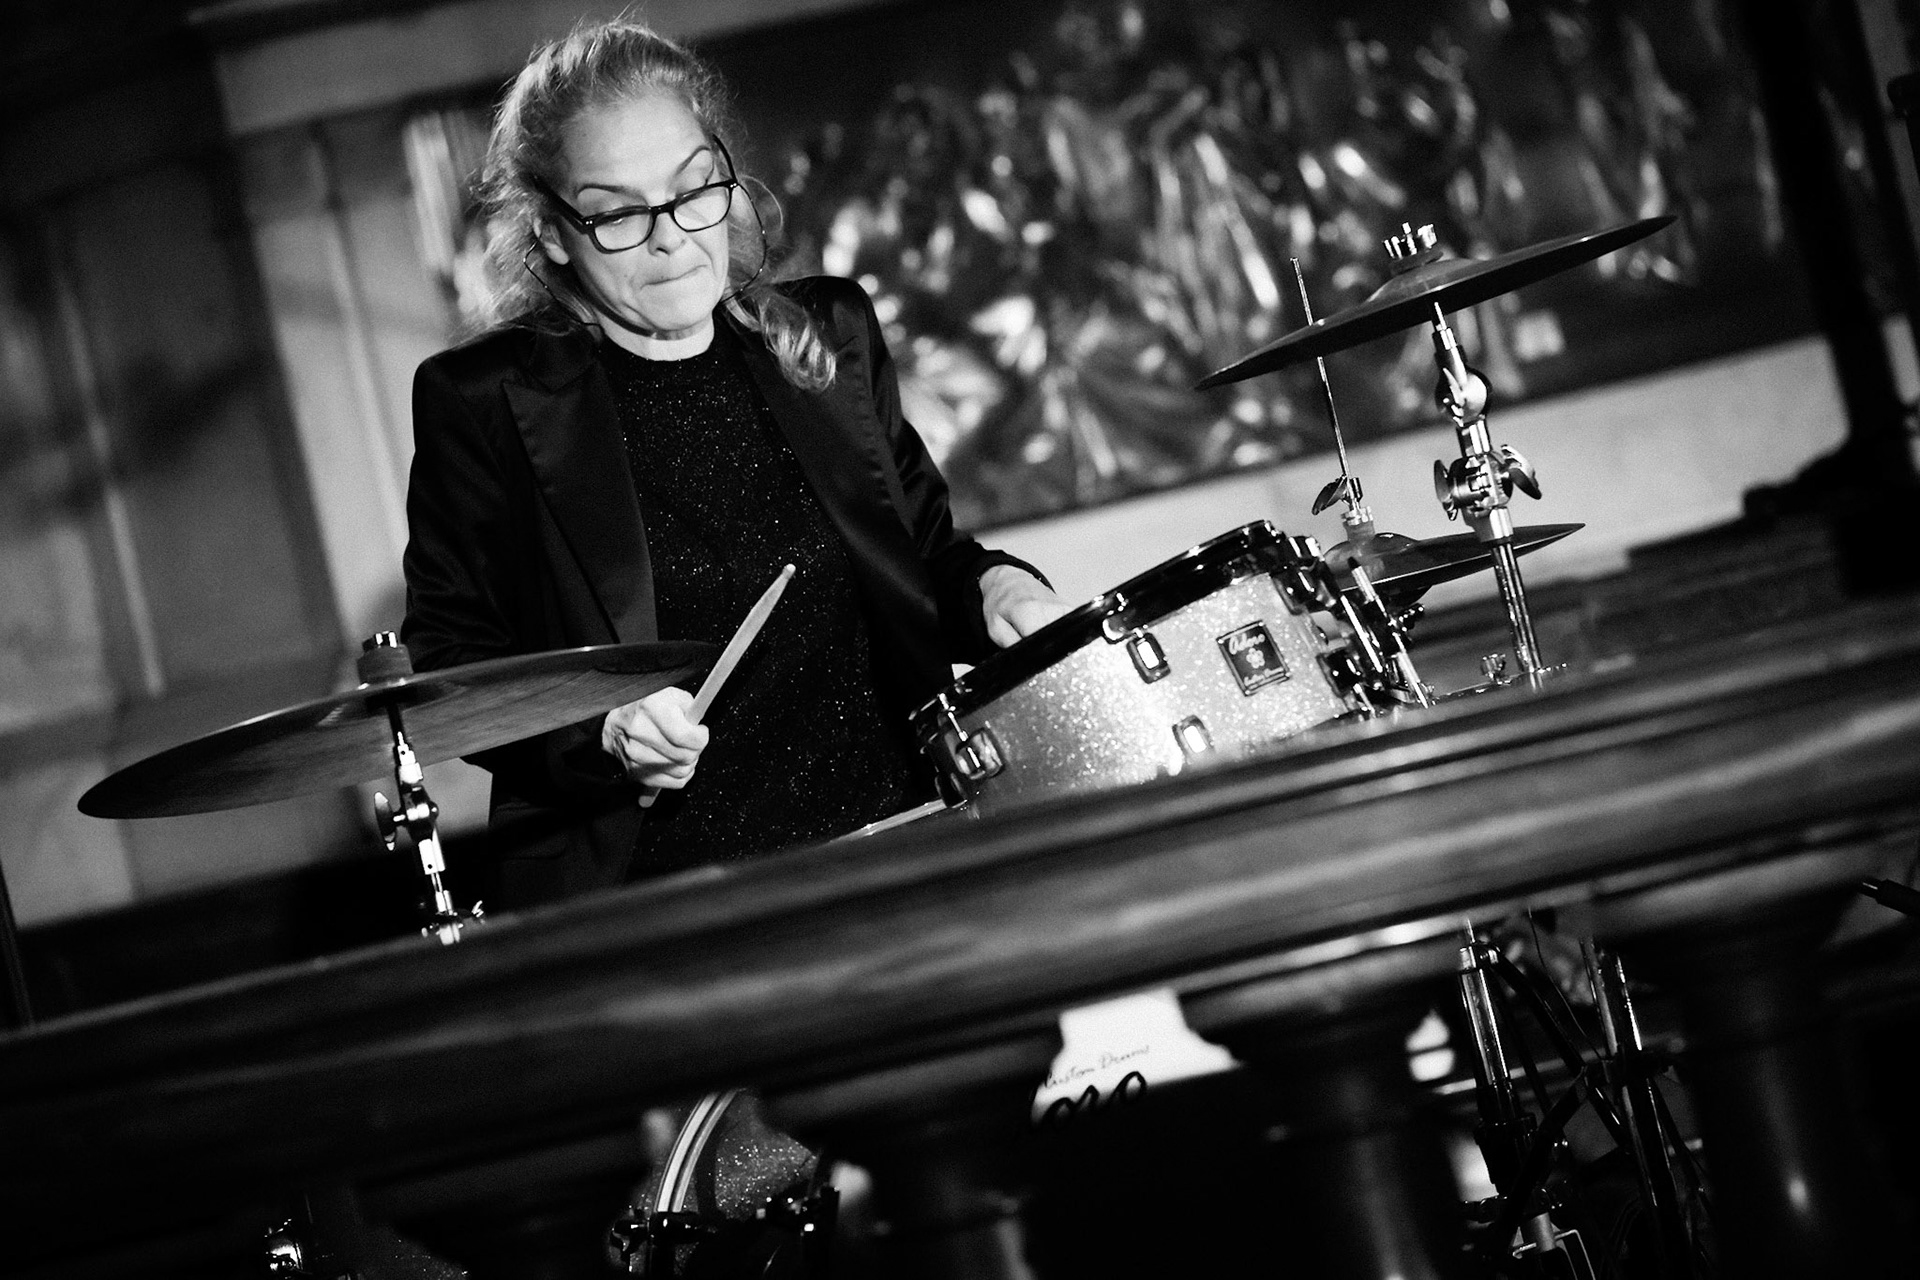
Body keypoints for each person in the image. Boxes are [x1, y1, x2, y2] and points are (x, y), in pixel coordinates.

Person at [400, 19, 1068, 910]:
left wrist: (993, 592)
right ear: (554, 232)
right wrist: (602, 736)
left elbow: (929, 560)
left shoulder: (828, 336)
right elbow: (451, 665)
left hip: (901, 844)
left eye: (691, 190)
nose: (670, 237)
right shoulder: (481, 400)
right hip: (658, 898)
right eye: (616, 214)